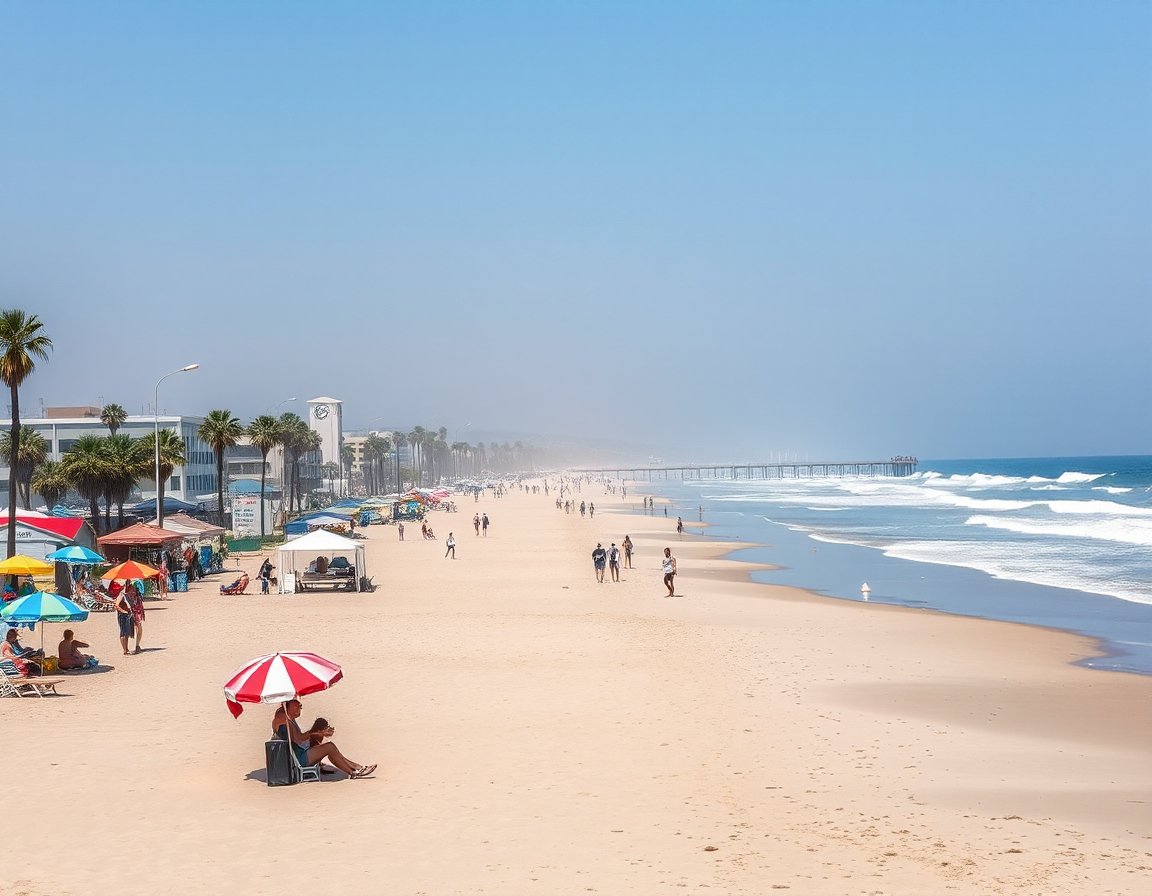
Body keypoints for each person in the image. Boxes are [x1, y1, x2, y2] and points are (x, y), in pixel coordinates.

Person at [272, 698, 376, 779]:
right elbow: (298, 739)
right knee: (330, 747)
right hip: (299, 758)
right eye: (298, 706)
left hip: (299, 754)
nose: (300, 708)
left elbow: (298, 739)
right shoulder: (283, 719)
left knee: (330, 747)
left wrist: (319, 733)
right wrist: (315, 732)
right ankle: (353, 772)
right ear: (290, 706)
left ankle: (357, 767)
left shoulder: (286, 716)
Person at [113, 583, 135, 655]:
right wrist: (124, 611)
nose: (133, 591)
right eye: (132, 589)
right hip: (122, 615)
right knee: (123, 632)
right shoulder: (122, 595)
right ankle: (124, 650)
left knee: (127, 632)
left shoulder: (128, 595)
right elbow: (116, 605)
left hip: (127, 615)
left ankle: (126, 648)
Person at [125, 581, 146, 653]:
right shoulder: (127, 593)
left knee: (137, 627)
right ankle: (131, 647)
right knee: (135, 628)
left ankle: (135, 646)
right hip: (133, 612)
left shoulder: (129, 591)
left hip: (135, 611)